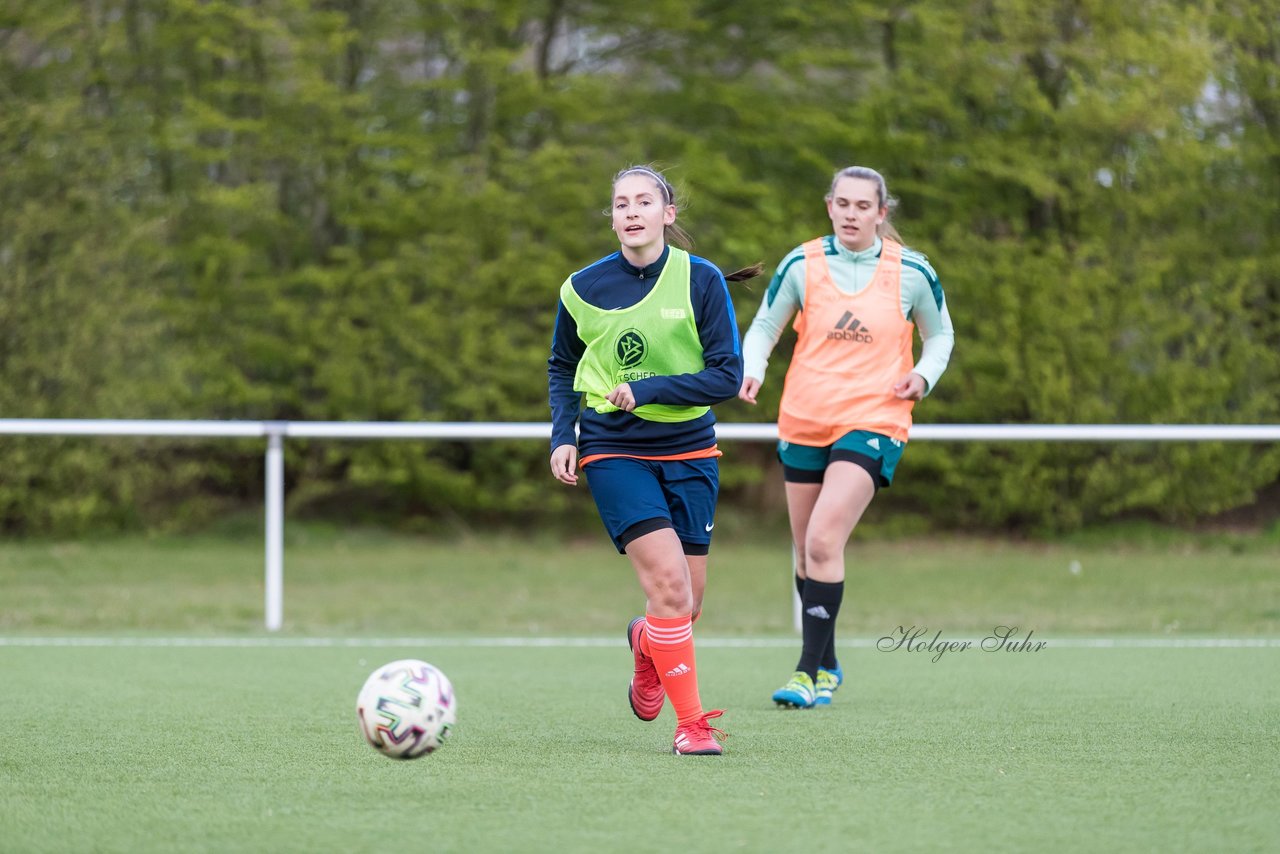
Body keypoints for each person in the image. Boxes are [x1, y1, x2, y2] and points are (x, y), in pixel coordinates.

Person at [547, 165, 760, 754]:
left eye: (644, 202)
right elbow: (563, 367)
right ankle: (692, 727)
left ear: (668, 214)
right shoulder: (582, 288)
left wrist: (651, 389)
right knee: (667, 584)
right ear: (613, 217)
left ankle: (648, 643)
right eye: (621, 204)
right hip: (613, 448)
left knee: (686, 605)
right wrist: (564, 433)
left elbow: (726, 374)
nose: (631, 212)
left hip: (690, 448)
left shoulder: (702, 280)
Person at [738, 165, 955, 709]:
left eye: (864, 206)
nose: (852, 214)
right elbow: (765, 326)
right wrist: (754, 366)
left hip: (876, 419)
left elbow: (941, 334)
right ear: (830, 206)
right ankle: (829, 660)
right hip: (805, 418)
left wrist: (923, 376)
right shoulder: (801, 264)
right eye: (843, 204)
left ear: (882, 213)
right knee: (806, 553)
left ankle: (807, 674)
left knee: (822, 540)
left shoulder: (912, 272)